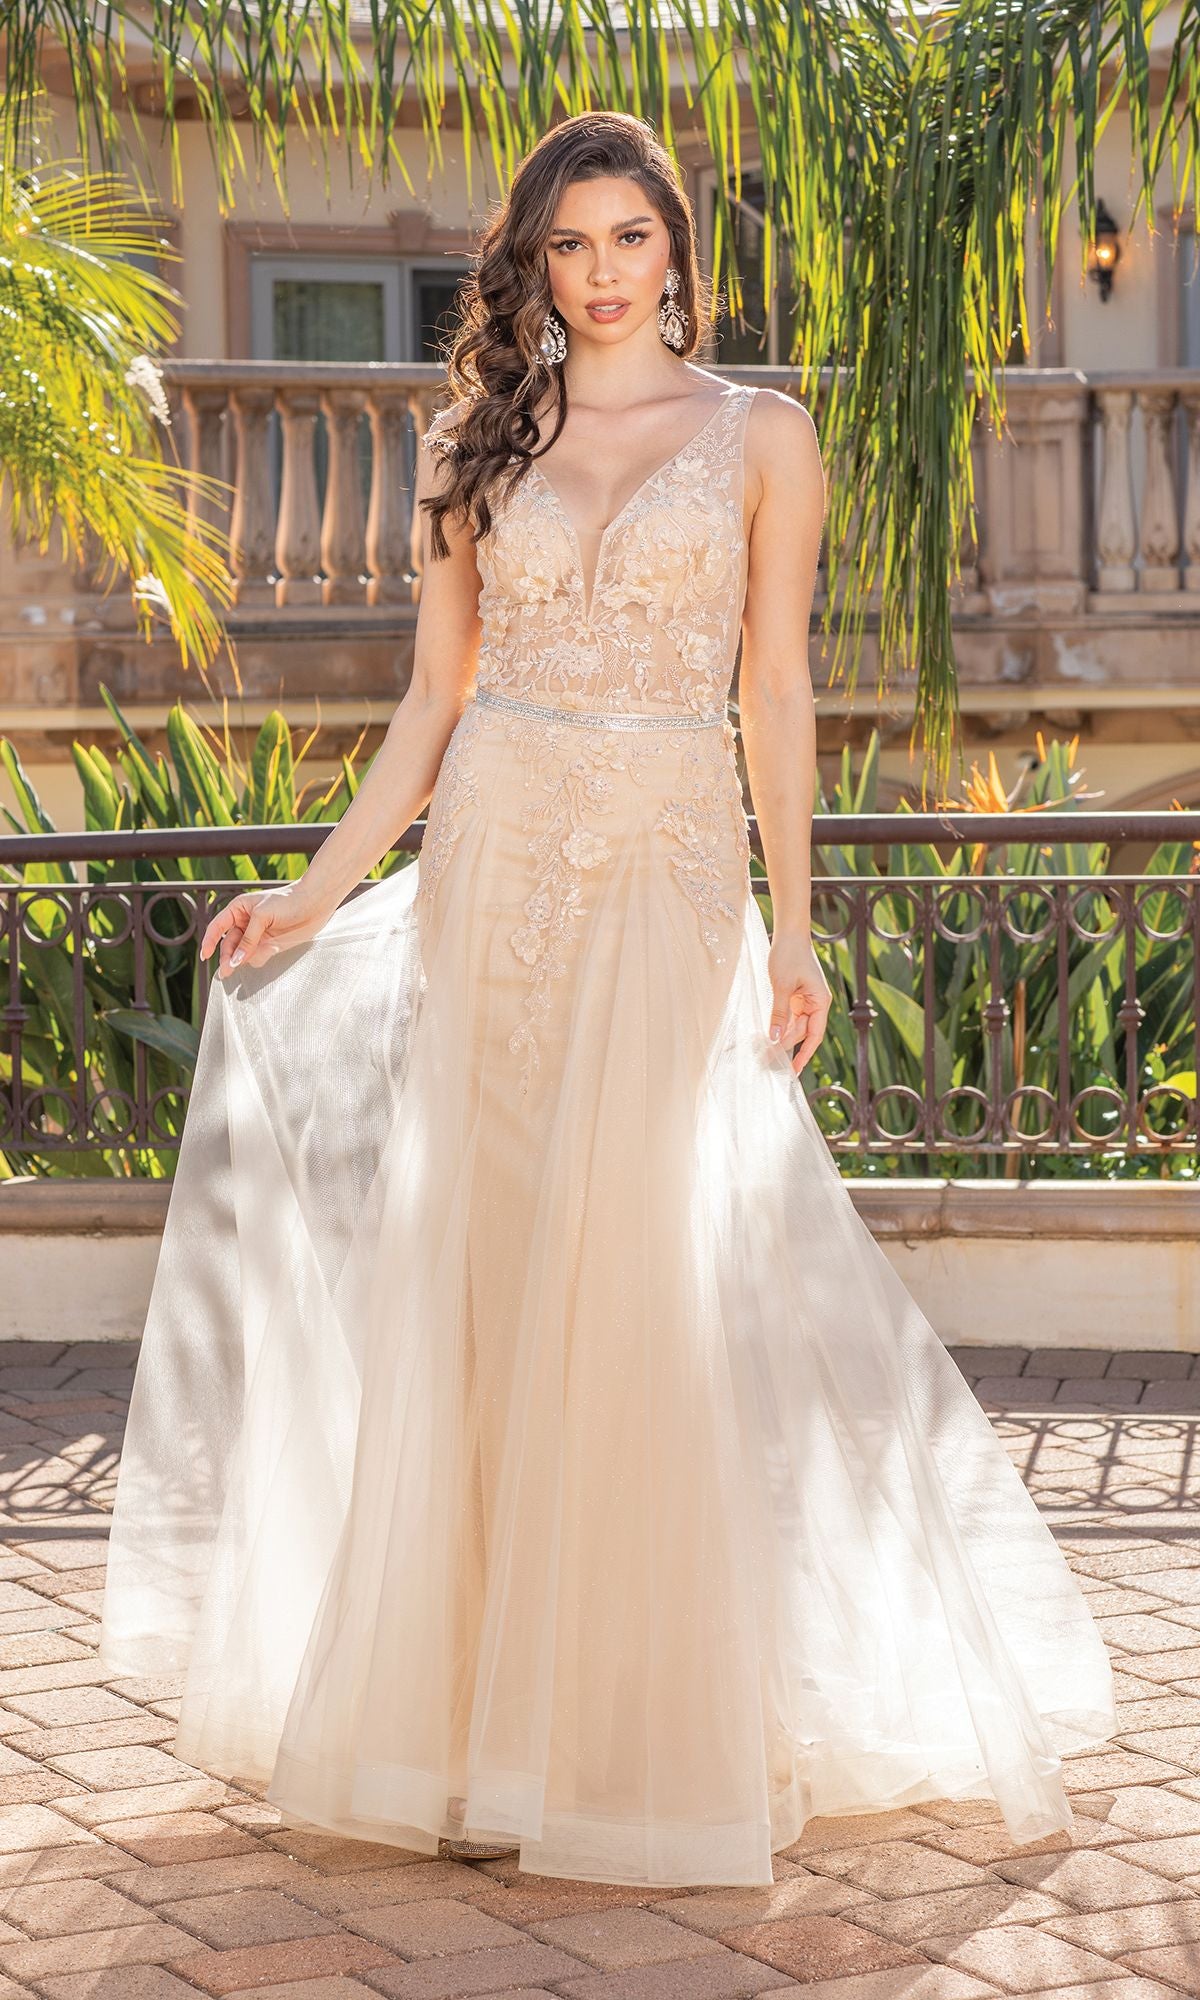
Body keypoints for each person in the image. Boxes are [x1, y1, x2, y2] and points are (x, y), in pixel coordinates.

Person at [97, 109, 1116, 1891]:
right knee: (491, 1272)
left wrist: (793, 929)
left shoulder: (761, 435)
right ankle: (473, 1732)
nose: (600, 273)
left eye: (629, 237)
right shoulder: (471, 439)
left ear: (676, 248)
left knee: (634, 1272)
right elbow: (431, 703)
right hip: (493, 867)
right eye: (568, 244)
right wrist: (316, 890)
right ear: (533, 263)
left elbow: (776, 690)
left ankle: (634, 1731)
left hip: (663, 861)